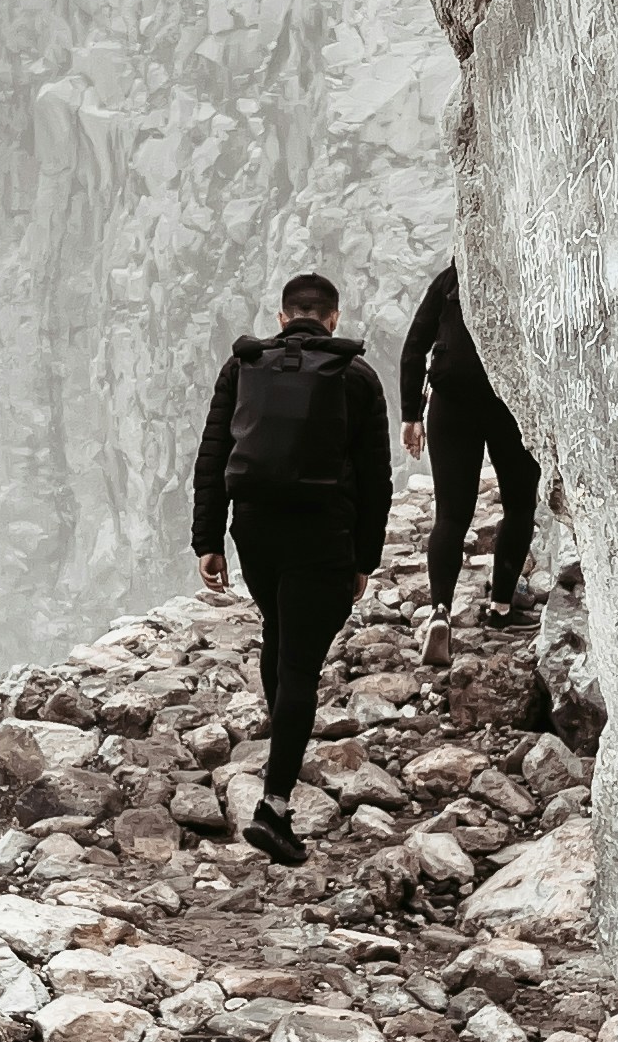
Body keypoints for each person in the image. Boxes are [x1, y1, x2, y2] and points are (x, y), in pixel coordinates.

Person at [192, 269, 391, 866]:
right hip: (322, 532)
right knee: (301, 662)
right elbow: (376, 477)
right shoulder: (355, 375)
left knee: (279, 634)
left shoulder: (243, 366)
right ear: (333, 319)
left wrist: (208, 540)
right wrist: (365, 557)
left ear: (282, 317)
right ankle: (274, 809)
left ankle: (280, 754)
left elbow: (214, 453)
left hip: (253, 530)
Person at [400, 258, 540, 672]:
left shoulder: (452, 279)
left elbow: (414, 346)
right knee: (518, 504)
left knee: (452, 515)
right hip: (508, 404)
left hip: (451, 402)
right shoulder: (526, 268)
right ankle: (500, 607)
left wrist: (411, 414)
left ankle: (441, 611)